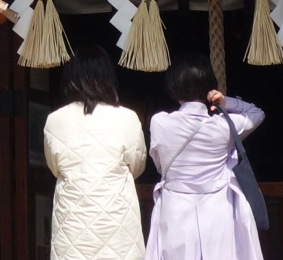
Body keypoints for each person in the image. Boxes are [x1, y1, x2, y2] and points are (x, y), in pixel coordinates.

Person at [145, 54, 265, 260]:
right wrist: (225, 101)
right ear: (209, 87)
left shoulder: (160, 123)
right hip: (218, 209)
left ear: (173, 87)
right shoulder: (223, 126)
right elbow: (256, 113)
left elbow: (160, 165)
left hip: (175, 209)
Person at [42, 44, 149, 260]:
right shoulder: (127, 117)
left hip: (72, 223)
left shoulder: (55, 120)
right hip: (118, 222)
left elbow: (55, 168)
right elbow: (137, 166)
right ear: (108, 78)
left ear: (71, 78)